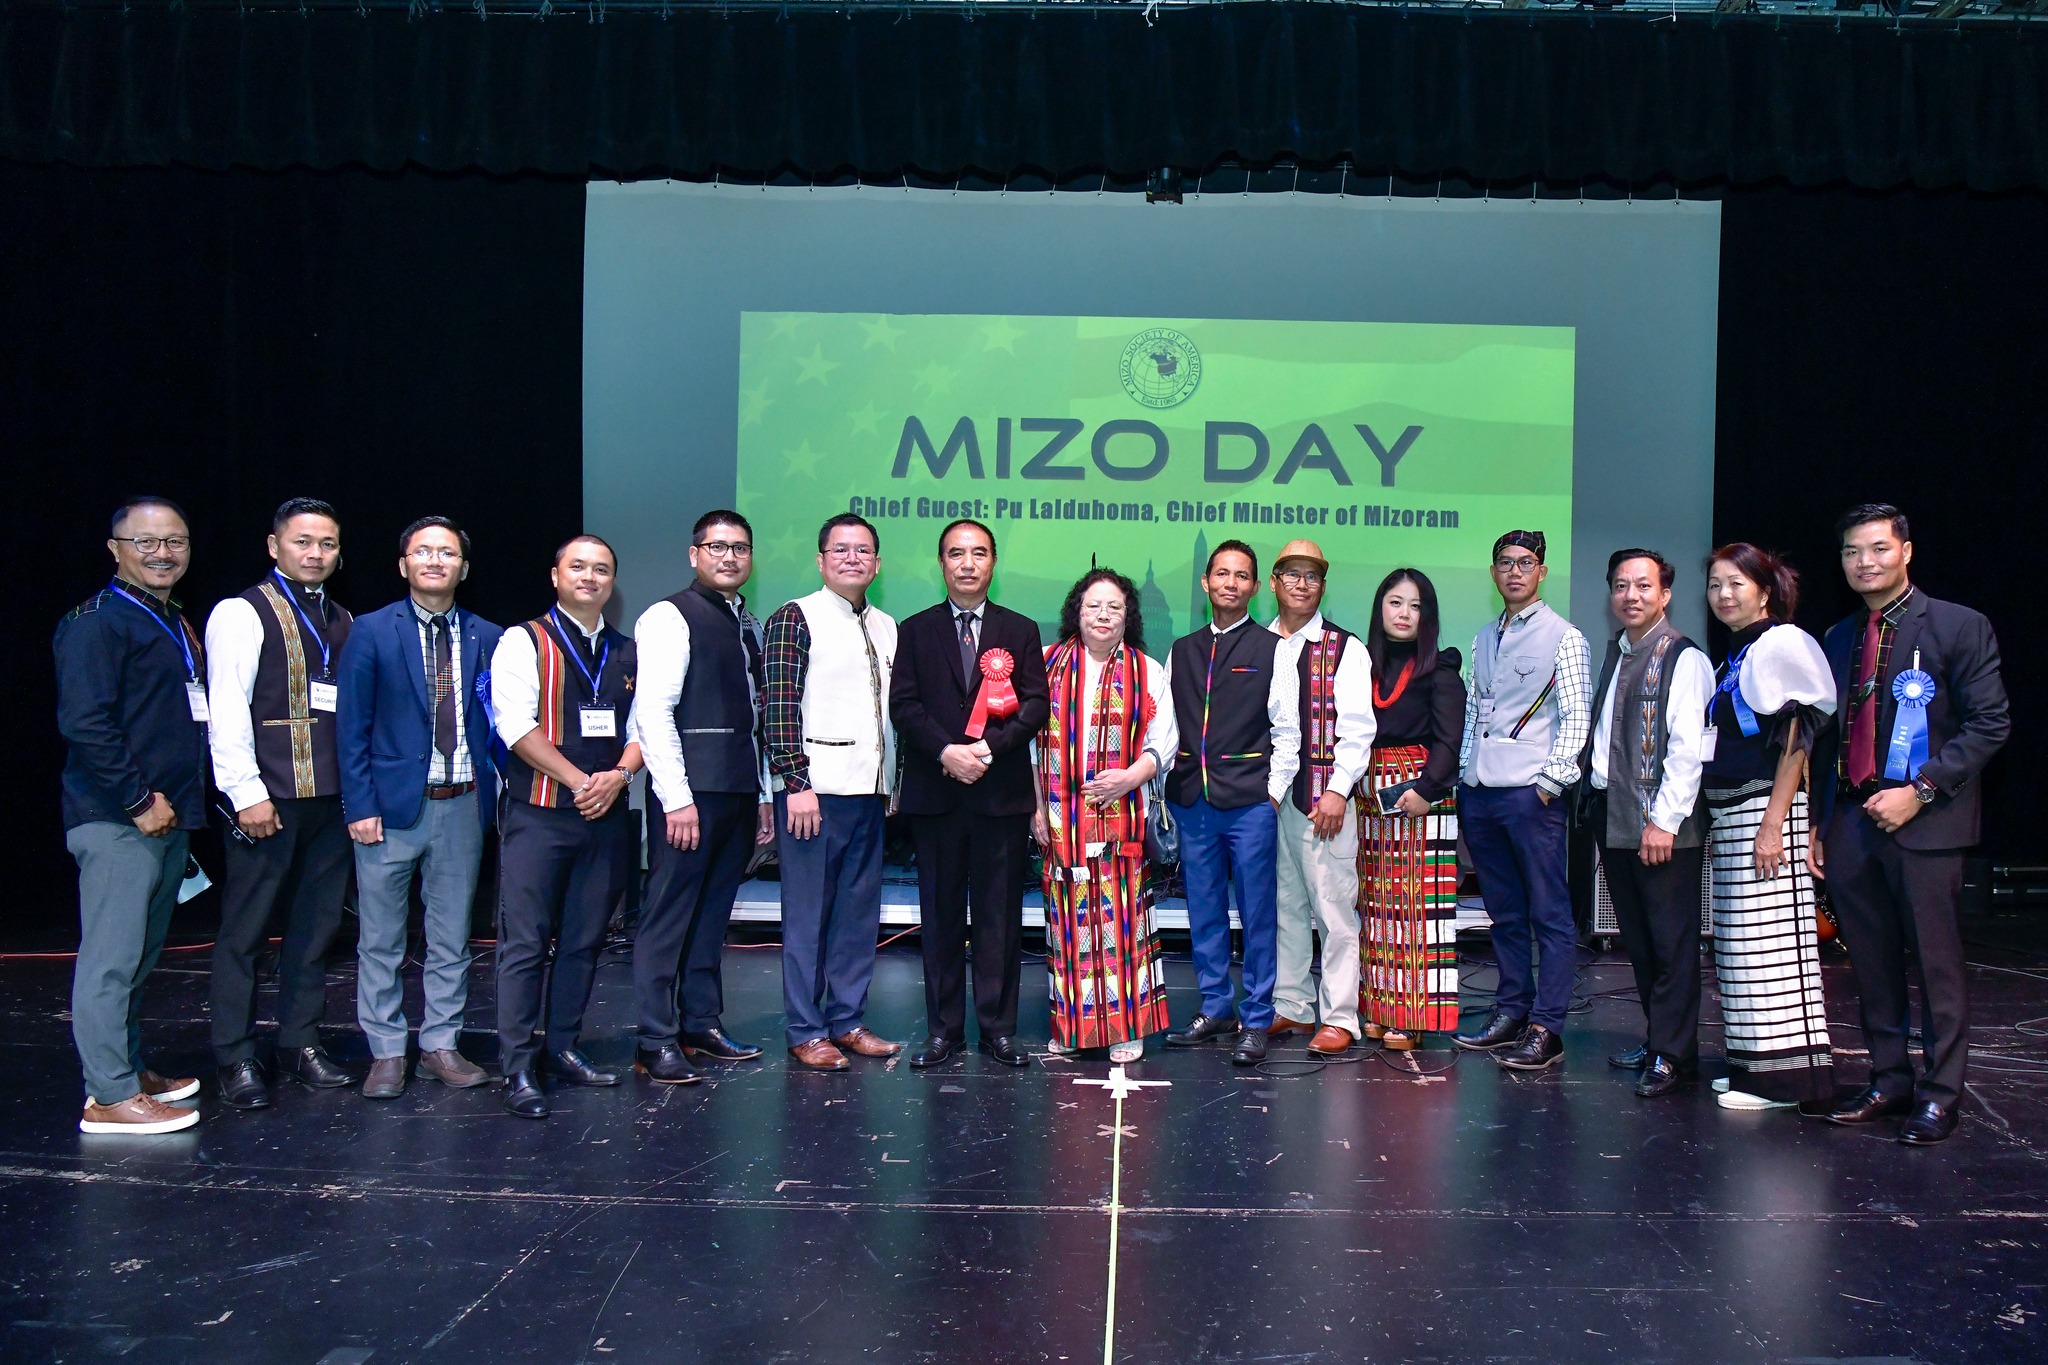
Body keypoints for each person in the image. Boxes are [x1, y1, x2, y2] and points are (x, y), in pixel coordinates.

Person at [1811, 504, 2009, 1145]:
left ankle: (1941, 1095)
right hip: (1851, 822)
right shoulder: (1839, 636)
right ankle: (1889, 1079)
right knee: (1869, 963)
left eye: (1877, 548)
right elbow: (1828, 737)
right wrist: (1819, 822)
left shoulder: (1957, 625)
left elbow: (1990, 723)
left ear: (1906, 551)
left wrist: (1920, 791)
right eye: (1851, 552)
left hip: (1927, 822)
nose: (1863, 562)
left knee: (1936, 965)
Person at [54, 497, 208, 1134]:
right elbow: (85, 723)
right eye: (146, 542)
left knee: (140, 955)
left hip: (166, 818)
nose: (162, 553)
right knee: (111, 959)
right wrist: (138, 799)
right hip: (121, 818)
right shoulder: (96, 623)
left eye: (175, 541)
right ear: (115, 549)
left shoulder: (171, 617)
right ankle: (108, 1096)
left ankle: (127, 1068)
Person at [336, 516, 503, 1101]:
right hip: (388, 810)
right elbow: (351, 727)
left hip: (463, 806)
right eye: (424, 551)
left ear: (464, 567)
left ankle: (440, 1045)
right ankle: (386, 1050)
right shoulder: (371, 630)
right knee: (381, 938)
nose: (436, 561)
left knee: (451, 937)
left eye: (447, 553)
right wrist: (359, 803)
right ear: (404, 564)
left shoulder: (489, 635)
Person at [204, 498, 357, 1110]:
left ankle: (300, 1041)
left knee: (315, 929)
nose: (315, 553)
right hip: (268, 799)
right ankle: (235, 1054)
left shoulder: (343, 618)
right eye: (303, 541)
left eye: (327, 543)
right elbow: (226, 710)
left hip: (331, 800)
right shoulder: (241, 612)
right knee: (245, 933)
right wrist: (246, 793)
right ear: (275, 546)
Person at [489, 535, 644, 1118]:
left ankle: (563, 1047)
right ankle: (518, 1065)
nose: (589, 577)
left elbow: (644, 729)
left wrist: (619, 777)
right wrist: (582, 782)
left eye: (601, 569)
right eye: (577, 567)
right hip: (539, 815)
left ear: (612, 582)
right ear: (555, 576)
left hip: (606, 817)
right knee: (526, 943)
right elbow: (513, 725)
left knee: (585, 939)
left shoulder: (628, 652)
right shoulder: (522, 640)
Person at [892, 520, 1051, 1069]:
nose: (967, 563)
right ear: (941, 563)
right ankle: (943, 1032)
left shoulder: (1020, 629)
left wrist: (986, 750)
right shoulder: (915, 630)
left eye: (978, 553)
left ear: (993, 562)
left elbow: (1035, 705)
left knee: (998, 918)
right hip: (936, 795)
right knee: (938, 918)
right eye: (956, 553)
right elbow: (904, 705)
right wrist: (947, 752)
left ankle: (998, 1030)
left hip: (998, 795)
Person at [629, 510, 773, 1086]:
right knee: (668, 917)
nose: (729, 556)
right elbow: (653, 713)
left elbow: (757, 719)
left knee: (712, 917)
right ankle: (655, 1038)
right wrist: (676, 798)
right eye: (717, 546)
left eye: (740, 547)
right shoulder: (669, 615)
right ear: (694, 555)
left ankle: (701, 1023)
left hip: (737, 792)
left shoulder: (747, 623)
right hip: (690, 796)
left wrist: (763, 794)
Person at [1699, 543, 1837, 1113]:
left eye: (1737, 583)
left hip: (1763, 813)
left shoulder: (1782, 642)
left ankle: (1787, 1083)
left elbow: (1796, 742)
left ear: (1764, 590)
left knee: (1772, 950)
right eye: (1715, 584)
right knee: (1740, 948)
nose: (1724, 594)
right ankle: (1752, 1068)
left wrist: (1774, 824)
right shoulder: (1738, 653)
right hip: (1733, 813)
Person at [763, 513, 904, 1070]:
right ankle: (805, 1029)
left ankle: (847, 1021)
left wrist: (893, 783)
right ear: (821, 560)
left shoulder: (887, 626)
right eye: (841, 549)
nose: (852, 558)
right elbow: (778, 708)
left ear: (878, 563)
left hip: (869, 795)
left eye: (863, 550)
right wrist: (795, 782)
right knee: (807, 917)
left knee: (857, 916)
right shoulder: (795, 616)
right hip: (814, 796)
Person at [1454, 529, 1592, 1071]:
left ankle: (1547, 1027)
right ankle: (1512, 1010)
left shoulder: (1566, 637)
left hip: (1531, 796)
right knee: (1504, 913)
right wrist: (1465, 776)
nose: (1515, 571)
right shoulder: (1482, 637)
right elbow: (1476, 711)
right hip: (1482, 793)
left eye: (1526, 562)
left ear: (1542, 572)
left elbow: (1576, 717)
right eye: (1506, 562)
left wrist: (1549, 784)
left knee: (1549, 914)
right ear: (1493, 573)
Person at [1578, 550, 1714, 1098]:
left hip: (1663, 827)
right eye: (1620, 585)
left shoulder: (1684, 657)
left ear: (1665, 595)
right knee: (1639, 940)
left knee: (1671, 944)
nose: (1630, 595)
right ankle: (1660, 1039)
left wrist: (1665, 821)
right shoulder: (1620, 652)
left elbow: (1687, 748)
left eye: (1643, 585)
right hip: (1614, 816)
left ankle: (1674, 1055)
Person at [1160, 540, 1301, 1067]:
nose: (1230, 583)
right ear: (1206, 582)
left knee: (1258, 914)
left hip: (1250, 806)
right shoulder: (1182, 649)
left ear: (1256, 587)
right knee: (1203, 910)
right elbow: (1166, 728)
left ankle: (1257, 1017)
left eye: (1242, 576)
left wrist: (1272, 796)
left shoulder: (1273, 649)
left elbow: (1288, 732)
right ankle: (1216, 1007)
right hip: (1193, 803)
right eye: (1222, 574)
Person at [1031, 569, 1176, 1064]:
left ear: (1127, 616)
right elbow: (1028, 746)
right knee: (1067, 924)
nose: (1103, 615)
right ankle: (1073, 1026)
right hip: (1060, 823)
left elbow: (1164, 742)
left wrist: (1129, 778)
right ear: (1077, 611)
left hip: (1121, 819)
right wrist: (1035, 806)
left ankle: (1124, 1029)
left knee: (1122, 923)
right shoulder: (1045, 664)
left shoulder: (1146, 670)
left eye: (1114, 607)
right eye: (1094, 605)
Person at [1265, 540, 1375, 1058]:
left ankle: (1339, 1016)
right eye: (1292, 573)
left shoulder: (1345, 647)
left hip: (1323, 801)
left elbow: (1358, 729)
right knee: (1285, 905)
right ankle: (1292, 1003)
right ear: (1274, 582)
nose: (1302, 583)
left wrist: (1338, 789)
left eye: (1312, 576)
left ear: (1323, 586)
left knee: (1333, 909)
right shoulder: (1259, 643)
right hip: (1270, 800)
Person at [1355, 568, 1467, 1050]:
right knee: (1377, 906)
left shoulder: (1440, 668)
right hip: (1370, 802)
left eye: (1416, 606)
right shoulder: (1361, 664)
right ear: (1380, 608)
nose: (1404, 614)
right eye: (1396, 602)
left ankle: (1413, 1016)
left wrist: (1427, 789)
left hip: (1421, 798)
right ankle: (1380, 1008)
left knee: (1417, 908)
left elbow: (1450, 740)